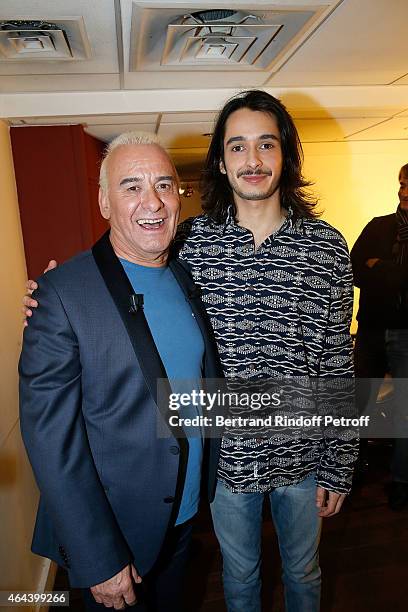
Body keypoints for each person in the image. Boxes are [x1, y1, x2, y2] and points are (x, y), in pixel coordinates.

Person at [24, 90, 357, 612]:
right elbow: (125, 253)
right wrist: (51, 294)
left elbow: (339, 358)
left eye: (266, 145)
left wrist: (340, 462)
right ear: (221, 162)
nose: (252, 160)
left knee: (304, 573)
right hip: (226, 462)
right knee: (239, 578)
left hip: (305, 454)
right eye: (237, 147)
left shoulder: (327, 245)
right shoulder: (193, 243)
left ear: (285, 155)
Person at [19, 132, 223, 611]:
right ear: (103, 201)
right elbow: (51, 442)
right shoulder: (61, 295)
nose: (151, 201)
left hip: (184, 519)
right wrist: (98, 558)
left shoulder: (183, 272)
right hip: (116, 539)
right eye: (131, 186)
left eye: (164, 185)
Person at [351, 163, 408, 511]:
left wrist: (381, 267)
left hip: (406, 333)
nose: (403, 191)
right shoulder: (378, 226)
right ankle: (349, 470)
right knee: (356, 403)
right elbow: (353, 268)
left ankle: (401, 481)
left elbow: (388, 275)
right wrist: (391, 273)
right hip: (370, 328)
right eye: (402, 183)